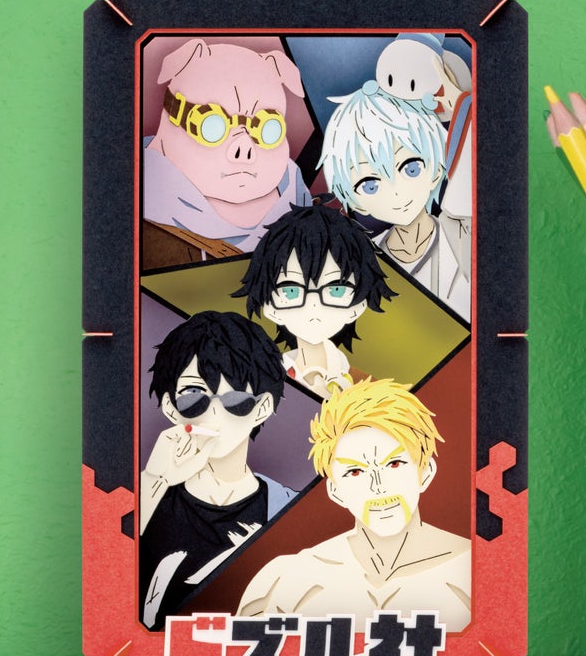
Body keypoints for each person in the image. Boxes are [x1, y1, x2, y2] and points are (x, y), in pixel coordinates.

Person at [236, 378, 471, 630]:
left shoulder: (473, 571)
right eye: (356, 472)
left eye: (394, 464)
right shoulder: (286, 580)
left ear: (425, 472)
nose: (378, 486)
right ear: (335, 491)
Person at [139, 311, 296, 629]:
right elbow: (101, 585)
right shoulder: (144, 502)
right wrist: (153, 481)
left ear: (262, 407)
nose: (214, 413)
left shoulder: (289, 512)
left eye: (234, 398)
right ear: (170, 407)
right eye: (193, 395)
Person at [319, 79, 471, 319]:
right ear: (356, 202)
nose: (397, 193)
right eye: (370, 185)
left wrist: (465, 107)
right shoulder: (363, 262)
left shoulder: (466, 233)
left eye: (411, 168)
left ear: (435, 169)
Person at [143, 38, 312, 253]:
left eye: (268, 130)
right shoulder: (143, 195)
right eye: (211, 127)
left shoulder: (294, 191)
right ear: (173, 113)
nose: (244, 150)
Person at [232, 199, 397, 397]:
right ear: (270, 308)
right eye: (291, 291)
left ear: (358, 305)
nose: (313, 306)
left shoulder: (371, 390)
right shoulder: (255, 385)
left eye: (336, 290)